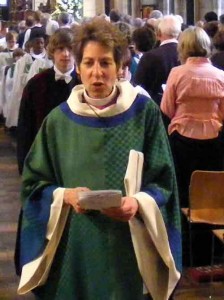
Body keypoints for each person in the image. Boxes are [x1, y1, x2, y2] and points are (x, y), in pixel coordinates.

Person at [17, 19, 181, 300]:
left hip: (130, 243)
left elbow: (164, 180)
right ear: (78, 69)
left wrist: (137, 202)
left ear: (119, 68)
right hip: (75, 244)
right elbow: (33, 184)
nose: (97, 73)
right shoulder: (58, 121)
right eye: (89, 63)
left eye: (105, 63)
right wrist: (65, 195)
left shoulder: (144, 114)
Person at [160, 26, 224, 209]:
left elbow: (166, 109)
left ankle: (186, 232)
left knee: (184, 192)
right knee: (210, 192)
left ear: (183, 48)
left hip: (182, 141)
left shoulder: (177, 73)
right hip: (214, 143)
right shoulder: (221, 76)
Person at [16, 28, 80, 174]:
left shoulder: (85, 83)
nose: (66, 54)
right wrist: (24, 165)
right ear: (52, 52)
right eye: (60, 49)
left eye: (70, 49)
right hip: (44, 157)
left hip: (77, 157)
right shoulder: (36, 84)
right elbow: (25, 127)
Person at [133, 15, 181, 105]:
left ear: (158, 34)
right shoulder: (187, 56)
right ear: (179, 33)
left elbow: (138, 87)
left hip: (156, 108)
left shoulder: (149, 57)